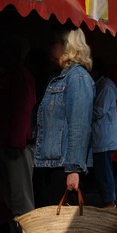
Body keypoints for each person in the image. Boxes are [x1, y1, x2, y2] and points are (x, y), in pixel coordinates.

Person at [33, 27, 95, 202]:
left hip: (63, 168)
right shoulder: (59, 77)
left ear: (68, 45)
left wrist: (73, 170)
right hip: (51, 164)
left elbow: (80, 126)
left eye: (53, 42)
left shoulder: (77, 78)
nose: (49, 47)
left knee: (61, 224)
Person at [0, 35, 36, 233]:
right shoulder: (10, 75)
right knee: (13, 204)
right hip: (7, 148)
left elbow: (22, 110)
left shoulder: (19, 76)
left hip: (15, 149)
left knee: (21, 205)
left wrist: (15, 144)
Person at [90, 58, 117, 208]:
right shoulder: (100, 84)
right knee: (102, 170)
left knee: (104, 171)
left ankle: (109, 202)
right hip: (101, 136)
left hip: (103, 137)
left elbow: (98, 111)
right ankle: (107, 199)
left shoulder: (105, 86)